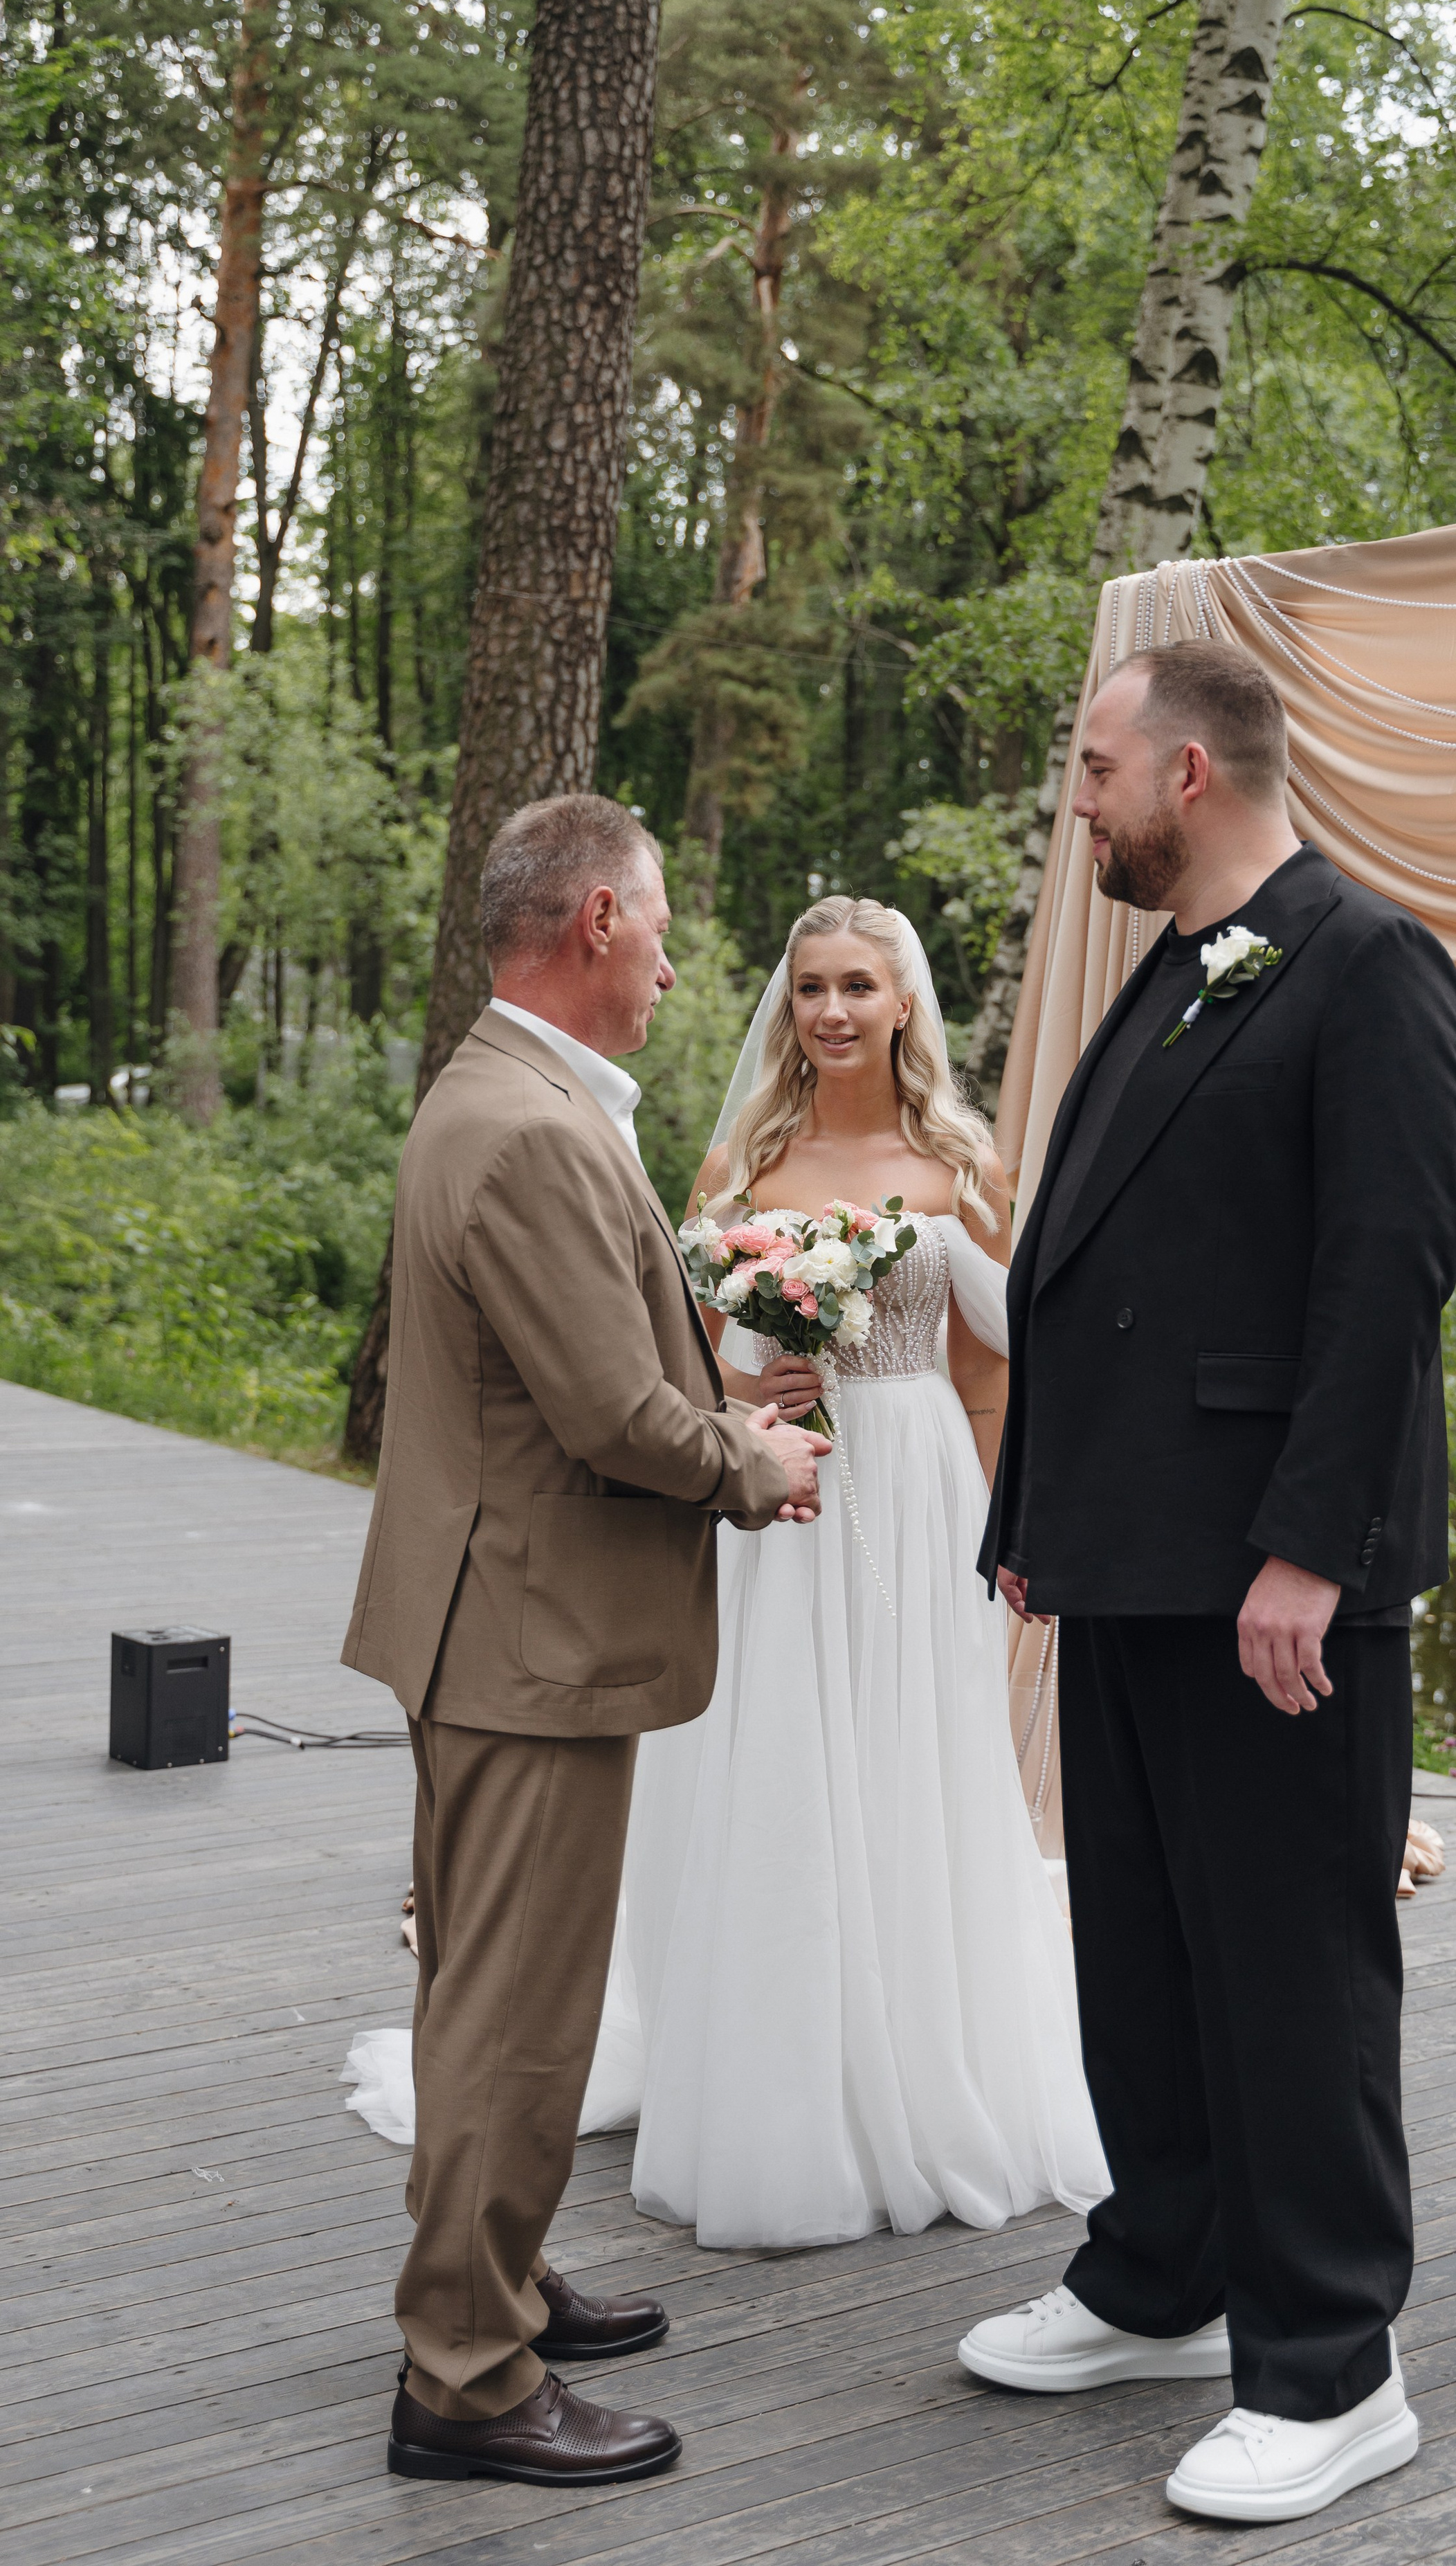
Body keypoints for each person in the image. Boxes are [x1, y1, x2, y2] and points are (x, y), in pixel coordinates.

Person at [959, 640, 1456, 2525]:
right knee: (1148, 1953)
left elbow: (1383, 1287)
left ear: (1189, 773)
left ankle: (1336, 2364)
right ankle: (1163, 2270)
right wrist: (1036, 1511)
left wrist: (1306, 1557)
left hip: (1273, 1582)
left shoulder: (1369, 966)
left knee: (1294, 1970)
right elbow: (1080, 1279)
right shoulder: (1169, 976)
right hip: (1128, 1564)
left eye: (1092, 765)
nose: (1074, 799)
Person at [340, 793, 826, 2489]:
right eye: (667, 923)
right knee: (513, 2010)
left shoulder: (501, 1095)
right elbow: (610, 1410)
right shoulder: (533, 1129)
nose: (683, 961)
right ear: (597, 923)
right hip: (525, 1632)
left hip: (490, 1615)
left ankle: (502, 2274)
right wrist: (751, 1463)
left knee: (489, 1981)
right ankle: (465, 2375)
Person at [576, 894, 1109, 2246]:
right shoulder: (742, 1163)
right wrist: (752, 1387)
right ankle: (776, 2081)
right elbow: (682, 1350)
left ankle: (920, 2064)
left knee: (912, 1759)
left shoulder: (959, 1160)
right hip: (782, 1492)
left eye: (856, 985)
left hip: (922, 1483)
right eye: (809, 984)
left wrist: (1006, 1530)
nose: (828, 1010)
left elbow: (992, 1371)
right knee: (784, 1761)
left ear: (901, 1003)